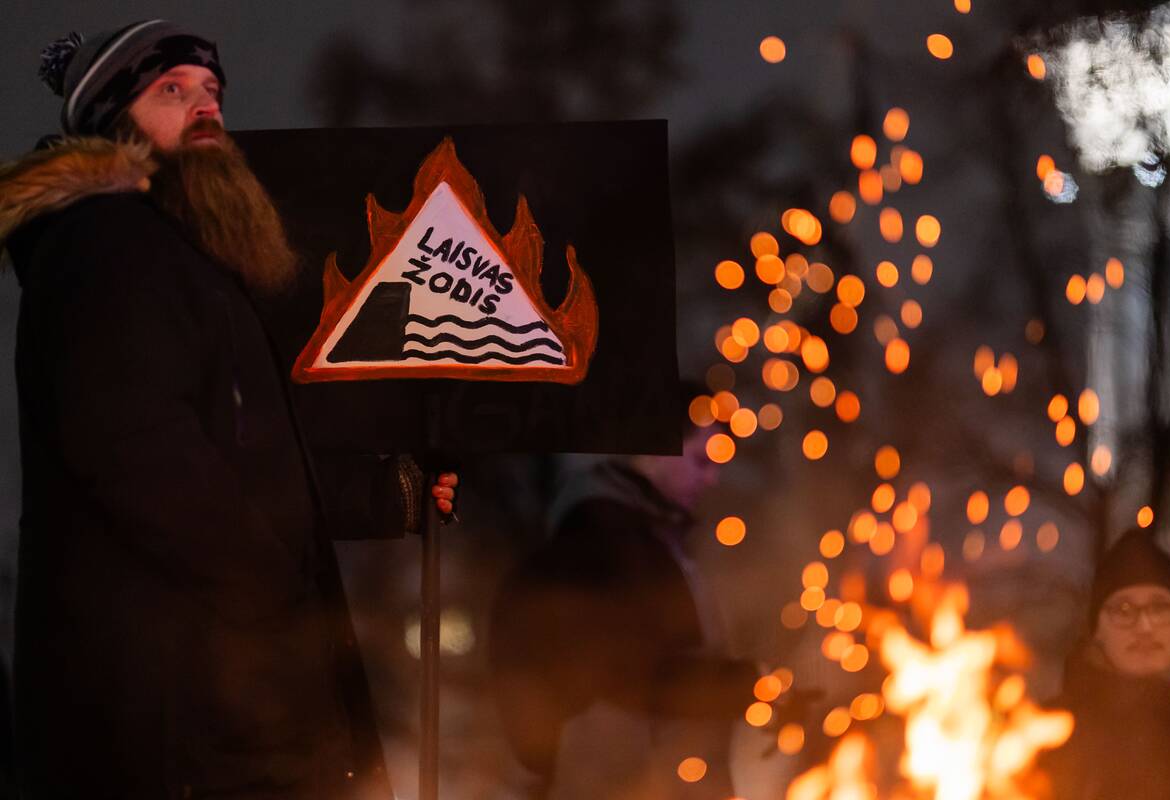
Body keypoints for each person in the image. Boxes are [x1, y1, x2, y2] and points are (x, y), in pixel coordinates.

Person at [0, 20, 456, 799]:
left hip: (215, 694)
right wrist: (271, 600)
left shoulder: (175, 251)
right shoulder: (107, 241)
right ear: (112, 120)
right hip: (177, 717)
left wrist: (390, 493)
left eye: (212, 90)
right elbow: (136, 451)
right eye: (171, 91)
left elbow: (246, 454)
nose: (205, 106)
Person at [489, 392, 760, 800]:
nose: (711, 478)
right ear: (653, 451)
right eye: (702, 460)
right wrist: (742, 686)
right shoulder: (598, 548)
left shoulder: (650, 541)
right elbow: (626, 678)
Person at [1041, 529, 1170, 800]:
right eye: (1123, 610)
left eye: (1160, 607)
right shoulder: (1046, 732)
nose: (1144, 626)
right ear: (1097, 631)